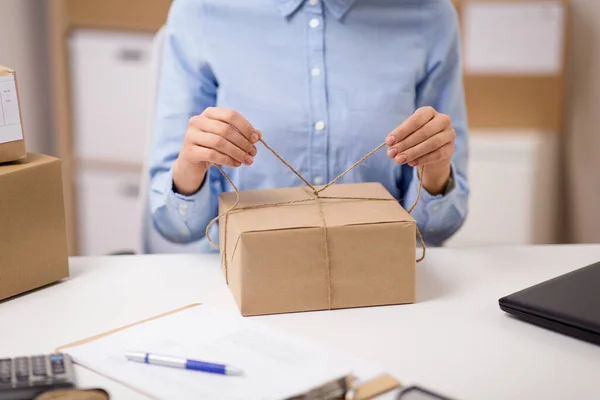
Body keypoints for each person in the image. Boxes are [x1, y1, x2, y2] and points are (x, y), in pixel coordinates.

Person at [147, 0, 469, 253]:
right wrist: (190, 169)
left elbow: (438, 230)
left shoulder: (428, 15)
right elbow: (176, 226)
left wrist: (436, 174)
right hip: (240, 285)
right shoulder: (199, 12)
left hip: (378, 281)